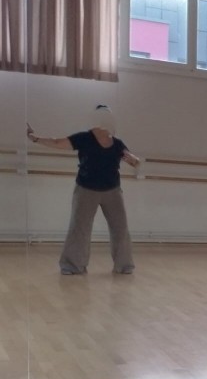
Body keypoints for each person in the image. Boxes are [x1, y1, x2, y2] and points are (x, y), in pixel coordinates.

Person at [26, 105, 141, 275]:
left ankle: (124, 265)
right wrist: (34, 138)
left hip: (113, 191)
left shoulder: (117, 144)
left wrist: (135, 160)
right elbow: (57, 142)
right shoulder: (84, 138)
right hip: (86, 189)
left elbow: (133, 161)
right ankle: (72, 265)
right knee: (79, 228)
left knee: (120, 228)